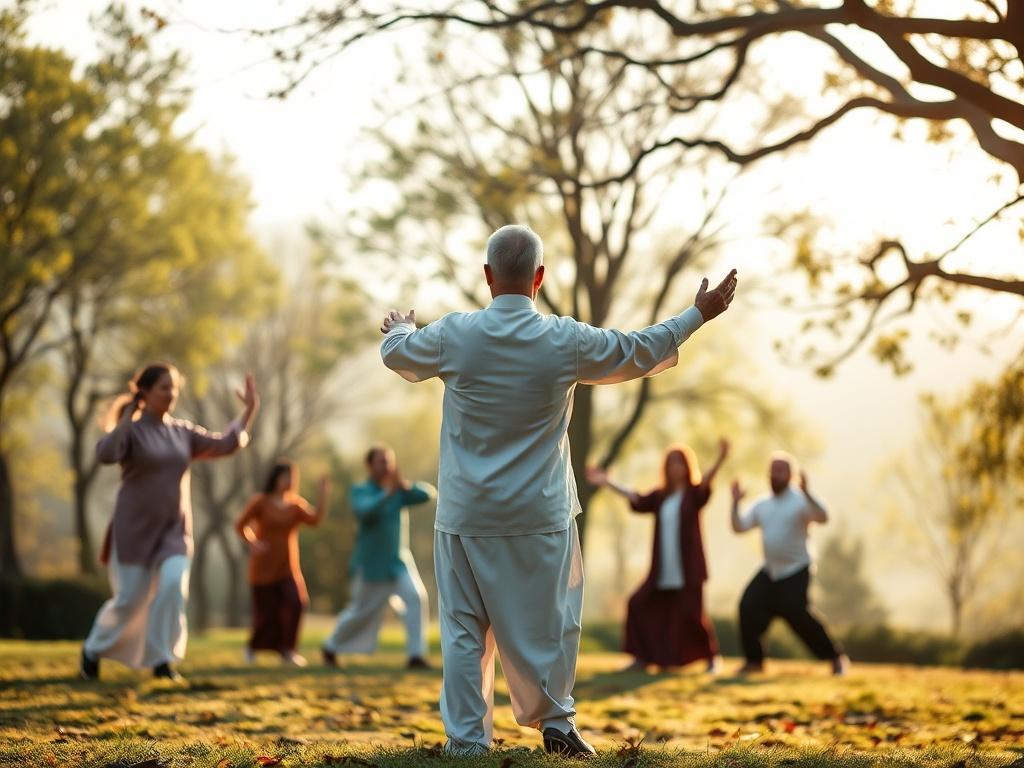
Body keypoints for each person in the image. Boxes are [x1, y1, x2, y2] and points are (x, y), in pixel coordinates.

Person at [379, 224, 737, 757]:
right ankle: (556, 723)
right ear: (540, 278)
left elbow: (398, 356)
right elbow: (638, 350)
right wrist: (697, 315)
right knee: (554, 622)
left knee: (462, 631)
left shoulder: (455, 335)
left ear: (486, 276)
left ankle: (467, 741)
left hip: (465, 514)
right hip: (539, 515)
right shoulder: (563, 340)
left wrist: (401, 329)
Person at [80, 363, 258, 682]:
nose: (171, 394)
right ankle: (93, 650)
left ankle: (163, 660)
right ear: (144, 392)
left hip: (174, 531)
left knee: (174, 586)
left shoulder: (182, 432)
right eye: (164, 387)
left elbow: (224, 444)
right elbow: (105, 454)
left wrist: (249, 411)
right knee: (130, 601)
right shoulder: (131, 431)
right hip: (133, 530)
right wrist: (126, 418)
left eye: (174, 387)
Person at [588, 439, 729, 674]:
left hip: (689, 569)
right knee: (638, 604)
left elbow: (705, 483)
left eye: (680, 463)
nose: (676, 468)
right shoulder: (661, 496)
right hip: (662, 570)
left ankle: (712, 658)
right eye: (672, 463)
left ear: (687, 467)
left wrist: (720, 460)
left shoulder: (693, 495)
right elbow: (637, 498)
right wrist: (608, 483)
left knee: (692, 615)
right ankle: (642, 658)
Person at [731, 453, 850, 676]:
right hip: (770, 570)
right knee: (747, 606)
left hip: (796, 570)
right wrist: (735, 503)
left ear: (791, 475)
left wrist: (807, 492)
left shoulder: (801, 501)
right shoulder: (763, 504)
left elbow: (823, 517)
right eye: (772, 470)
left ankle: (835, 657)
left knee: (798, 615)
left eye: (780, 470)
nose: (774, 475)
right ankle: (754, 662)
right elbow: (739, 527)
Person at [321, 445, 436, 669]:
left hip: (399, 562)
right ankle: (330, 646)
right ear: (370, 465)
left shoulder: (399, 493)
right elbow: (364, 512)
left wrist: (407, 487)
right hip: (371, 566)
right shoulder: (362, 490)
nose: (387, 465)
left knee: (416, 598)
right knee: (360, 613)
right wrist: (387, 494)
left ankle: (416, 655)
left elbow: (428, 494)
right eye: (382, 461)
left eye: (390, 461)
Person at [236, 460, 329, 666]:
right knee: (267, 613)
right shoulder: (261, 502)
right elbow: (240, 525)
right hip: (263, 567)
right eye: (285, 476)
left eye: (292, 477)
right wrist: (253, 542)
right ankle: (252, 648)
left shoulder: (295, 505)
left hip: (288, 566)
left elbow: (315, 520)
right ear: (276, 478)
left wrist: (322, 494)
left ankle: (289, 650)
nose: (289, 481)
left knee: (297, 603)